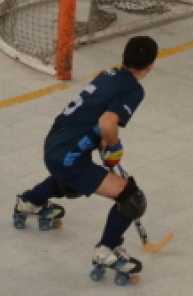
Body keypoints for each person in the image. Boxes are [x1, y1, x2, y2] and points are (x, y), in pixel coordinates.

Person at [13, 36, 158, 282]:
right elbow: (106, 122)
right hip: (68, 156)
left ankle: (29, 202)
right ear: (151, 65)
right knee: (131, 199)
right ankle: (107, 251)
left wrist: (102, 143)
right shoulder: (134, 89)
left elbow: (94, 115)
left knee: (74, 182)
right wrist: (113, 147)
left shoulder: (108, 74)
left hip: (55, 144)